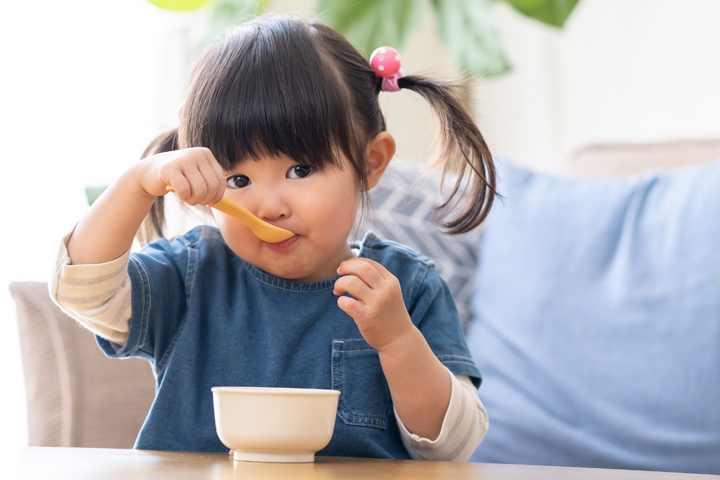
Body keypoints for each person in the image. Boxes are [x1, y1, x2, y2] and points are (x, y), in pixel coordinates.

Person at [50, 14, 496, 461]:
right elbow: (83, 291)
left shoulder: (408, 288)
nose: (269, 206)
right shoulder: (190, 275)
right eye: (239, 178)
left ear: (371, 163)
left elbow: (453, 447)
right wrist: (137, 183)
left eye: (300, 170)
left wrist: (399, 340)